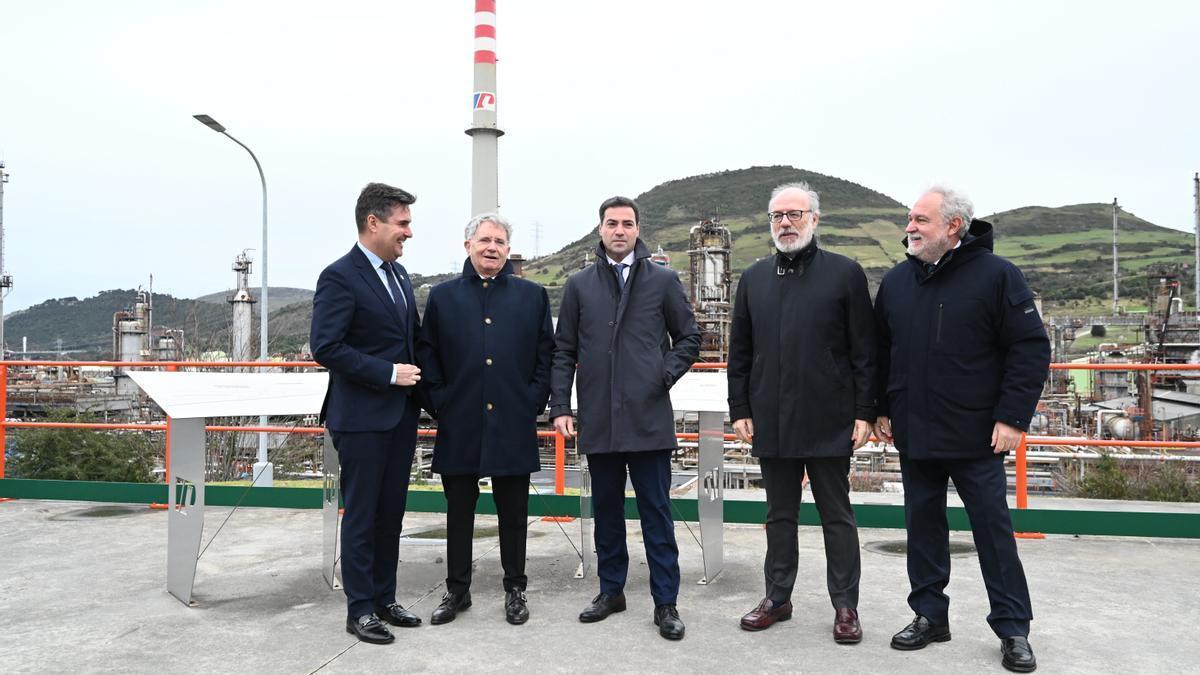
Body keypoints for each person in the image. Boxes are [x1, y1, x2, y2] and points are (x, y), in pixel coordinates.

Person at [873, 186, 1049, 673]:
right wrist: (882, 406)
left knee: (993, 533)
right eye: (909, 219)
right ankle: (930, 616)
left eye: (920, 220)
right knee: (922, 530)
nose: (909, 228)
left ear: (953, 226)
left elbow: (1030, 348)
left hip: (977, 435)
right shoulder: (897, 283)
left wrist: (1013, 417)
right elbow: (879, 353)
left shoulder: (997, 276)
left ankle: (1013, 628)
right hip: (915, 432)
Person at [727, 182, 875, 642]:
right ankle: (777, 597)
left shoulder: (845, 273)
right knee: (779, 515)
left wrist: (865, 411)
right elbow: (741, 352)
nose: (785, 223)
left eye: (794, 214)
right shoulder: (753, 278)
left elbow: (864, 352)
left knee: (837, 515)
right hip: (770, 416)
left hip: (830, 417)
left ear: (815, 219)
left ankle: (846, 606)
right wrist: (740, 408)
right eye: (777, 216)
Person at [549, 196, 700, 640]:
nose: (619, 230)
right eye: (611, 223)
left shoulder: (663, 280)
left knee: (657, 514)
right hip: (599, 418)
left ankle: (666, 603)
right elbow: (564, 351)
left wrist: (661, 376)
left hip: (649, 419)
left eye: (627, 223)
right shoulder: (579, 285)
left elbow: (688, 338)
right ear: (600, 229)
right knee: (607, 512)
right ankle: (610, 591)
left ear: (638, 230)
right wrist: (561, 407)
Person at [416, 213, 554, 626]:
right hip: (459, 422)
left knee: (514, 512)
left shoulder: (532, 296)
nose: (492, 247)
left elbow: (545, 356)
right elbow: (428, 355)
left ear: (508, 250)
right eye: (484, 240)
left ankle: (515, 589)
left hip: (513, 420)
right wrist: (440, 402)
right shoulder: (442, 297)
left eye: (499, 242)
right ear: (467, 246)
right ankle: (457, 591)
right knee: (459, 511)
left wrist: (532, 401)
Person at [311, 182, 425, 645]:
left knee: (391, 513)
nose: (409, 233)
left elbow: (412, 342)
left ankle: (384, 598)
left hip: (399, 417)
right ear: (372, 222)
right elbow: (326, 346)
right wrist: (386, 373)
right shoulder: (339, 276)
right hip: (360, 417)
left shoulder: (399, 276)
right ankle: (359, 610)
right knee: (361, 514)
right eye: (403, 223)